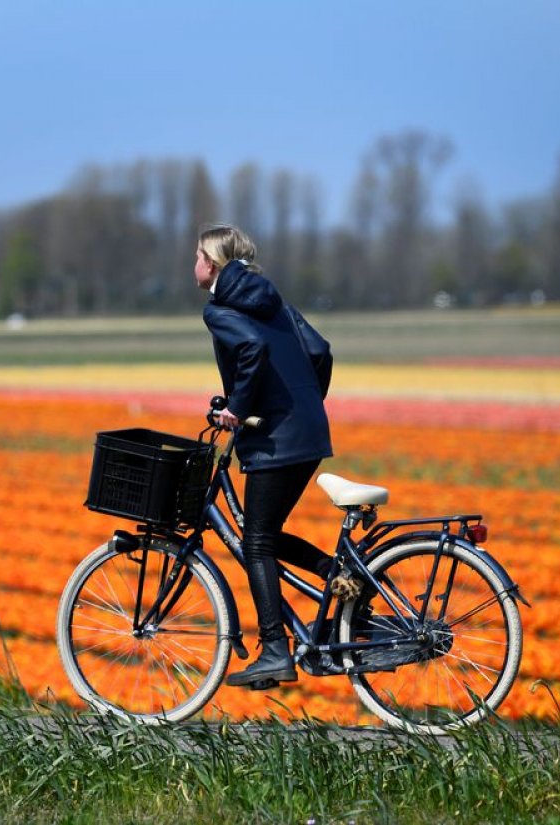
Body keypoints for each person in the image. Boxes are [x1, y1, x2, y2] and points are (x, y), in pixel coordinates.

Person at [194, 223, 343, 689]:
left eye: (196, 255)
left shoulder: (218, 308)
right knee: (266, 533)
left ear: (213, 264)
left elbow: (253, 349)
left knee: (255, 541)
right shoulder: (272, 299)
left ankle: (275, 650)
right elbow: (320, 352)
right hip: (308, 432)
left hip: (277, 440)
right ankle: (337, 576)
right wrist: (299, 406)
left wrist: (238, 410)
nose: (192, 264)